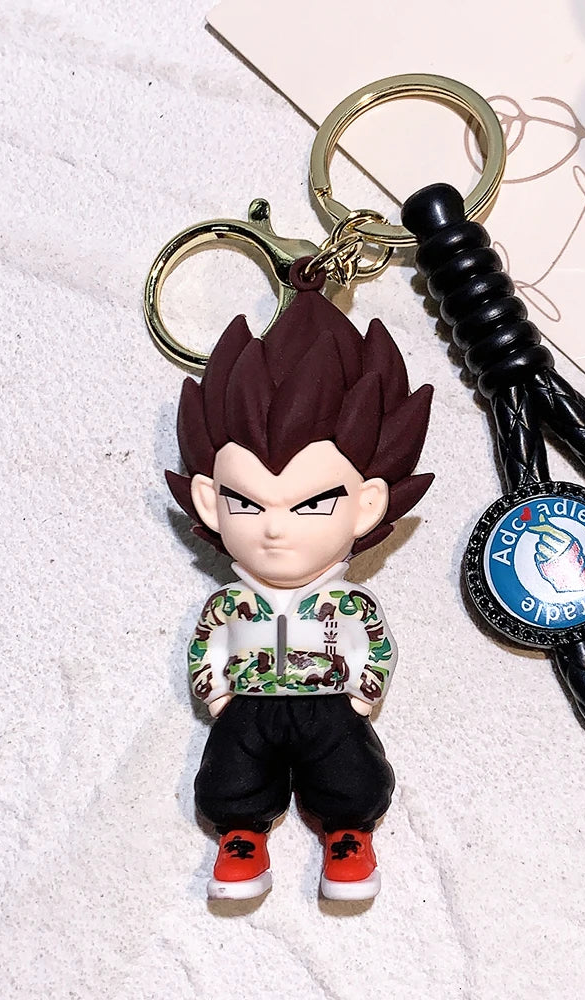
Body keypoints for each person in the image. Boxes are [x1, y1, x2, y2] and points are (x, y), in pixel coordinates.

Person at [166, 268, 433, 901]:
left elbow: (377, 646)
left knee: (350, 773)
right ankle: (240, 837)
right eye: (246, 502)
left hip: (328, 702)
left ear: (369, 505)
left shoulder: (348, 602)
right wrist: (219, 697)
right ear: (207, 500)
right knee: (230, 774)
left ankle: (349, 836)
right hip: (250, 703)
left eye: (312, 504)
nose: (274, 529)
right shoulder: (230, 603)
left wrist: (361, 697)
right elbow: (206, 647)